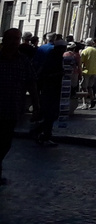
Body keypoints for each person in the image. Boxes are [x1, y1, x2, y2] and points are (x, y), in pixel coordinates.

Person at [0, 27, 36, 186]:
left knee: (6, 142)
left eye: (18, 39)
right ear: (4, 40)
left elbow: (31, 83)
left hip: (12, 108)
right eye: (12, 39)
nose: (15, 42)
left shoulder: (23, 60)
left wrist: (37, 104)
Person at [31, 33, 64, 145]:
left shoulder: (44, 49)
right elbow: (48, 73)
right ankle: (43, 133)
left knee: (49, 112)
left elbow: (37, 63)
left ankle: (42, 131)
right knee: (52, 113)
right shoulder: (55, 57)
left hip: (45, 86)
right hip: (51, 88)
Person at [79, 38, 96, 109]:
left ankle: (84, 103)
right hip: (94, 71)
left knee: (84, 88)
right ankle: (92, 99)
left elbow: (81, 62)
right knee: (90, 87)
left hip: (86, 71)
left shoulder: (85, 51)